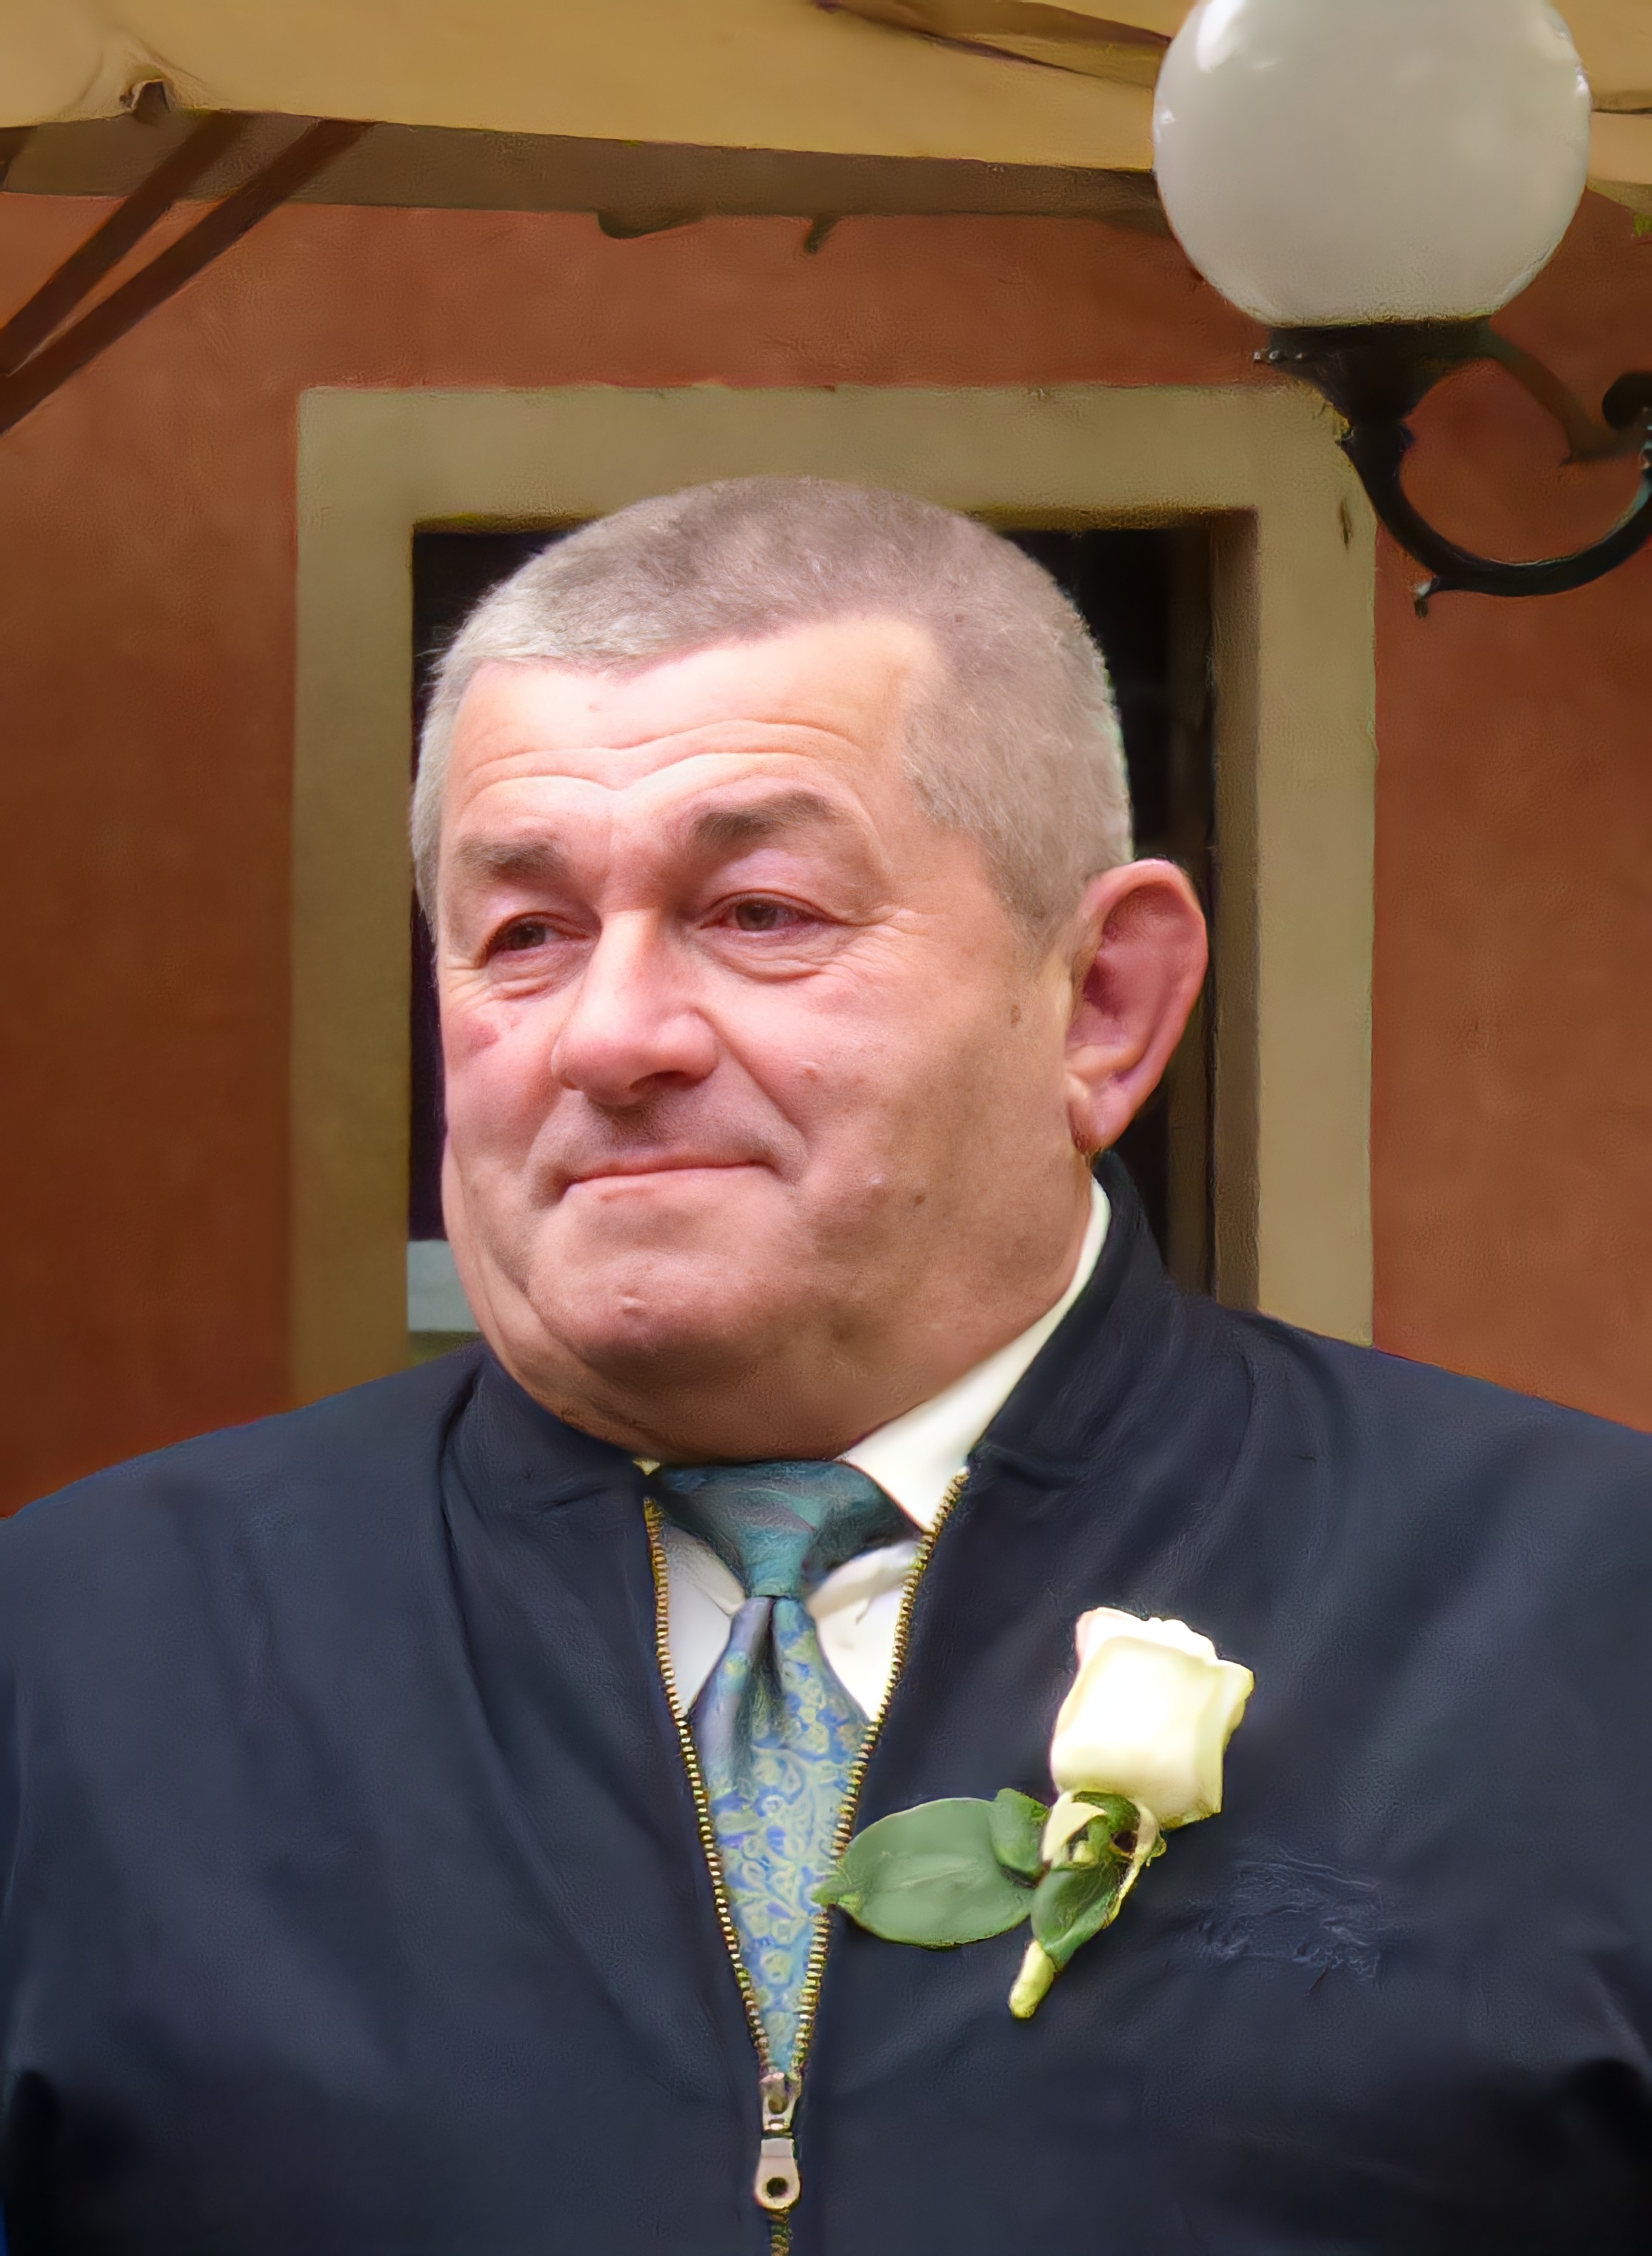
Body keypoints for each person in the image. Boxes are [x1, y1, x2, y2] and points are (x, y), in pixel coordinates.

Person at [1, 478, 1650, 2256]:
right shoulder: (86, 1653)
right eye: (526, 934)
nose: (612, 1037)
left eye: (760, 911)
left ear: (1102, 1002)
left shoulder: (1581, 1612)